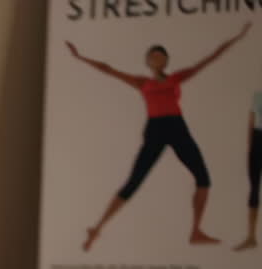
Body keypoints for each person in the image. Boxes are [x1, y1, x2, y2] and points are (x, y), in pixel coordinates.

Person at [66, 23, 251, 252]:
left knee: (203, 179)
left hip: (177, 127)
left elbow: (210, 58)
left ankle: (196, 231)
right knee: (134, 181)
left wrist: (237, 37)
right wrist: (80, 57)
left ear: (166, 60)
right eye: (152, 56)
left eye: (160, 55)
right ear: (148, 62)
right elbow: (108, 69)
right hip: (155, 129)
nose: (156, 58)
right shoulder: (143, 82)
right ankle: (97, 228)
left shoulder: (176, 78)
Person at [243, 88, 262, 251]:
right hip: (257, 140)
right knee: (254, 188)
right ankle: (251, 237)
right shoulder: (257, 95)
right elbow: (251, 120)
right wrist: (249, 148)